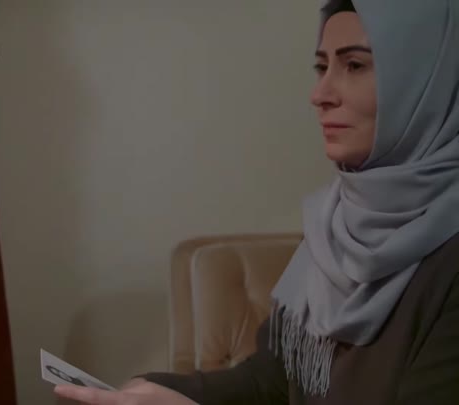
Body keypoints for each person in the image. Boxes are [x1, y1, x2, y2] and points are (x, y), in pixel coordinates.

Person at [55, 0, 459, 403]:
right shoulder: (337, 225)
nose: (319, 94)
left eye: (354, 65)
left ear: (428, 82)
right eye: (322, 67)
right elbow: (272, 380)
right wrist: (158, 391)